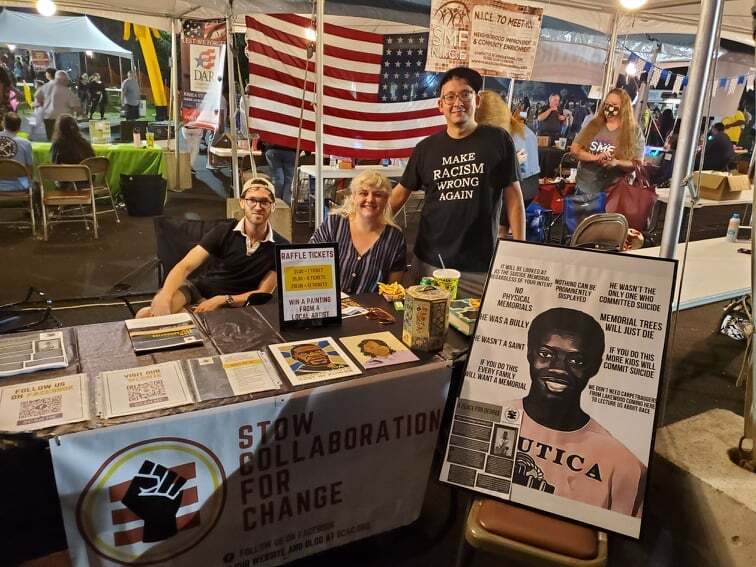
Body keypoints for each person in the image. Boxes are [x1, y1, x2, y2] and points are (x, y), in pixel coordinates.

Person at [389, 66, 524, 297]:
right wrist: (365, 224)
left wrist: (520, 248)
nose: (457, 102)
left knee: (471, 331)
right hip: (429, 264)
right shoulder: (425, 149)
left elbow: (514, 197)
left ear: (477, 100)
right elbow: (399, 195)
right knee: (421, 330)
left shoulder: (497, 140)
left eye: (465, 94)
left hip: (478, 268)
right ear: (440, 105)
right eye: (449, 96)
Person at [510, 307, 645, 516]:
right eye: (545, 354)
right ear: (529, 354)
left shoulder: (623, 465)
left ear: (594, 367)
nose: (558, 368)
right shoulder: (489, 416)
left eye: (576, 361)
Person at [136, 178, 287, 318]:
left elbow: (263, 293)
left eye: (264, 202)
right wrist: (165, 296)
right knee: (146, 316)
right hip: (198, 289)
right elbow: (185, 266)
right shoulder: (225, 230)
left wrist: (223, 300)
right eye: (252, 200)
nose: (258, 206)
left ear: (273, 206)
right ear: (242, 203)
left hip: (232, 305)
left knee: (183, 321)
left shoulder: (281, 247)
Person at [311, 169, 406, 294]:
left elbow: (393, 290)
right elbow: (310, 267)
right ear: (354, 197)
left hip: (372, 311)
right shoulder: (333, 224)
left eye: (378, 195)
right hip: (329, 306)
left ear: (386, 200)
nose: (370, 199)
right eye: (363, 193)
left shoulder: (395, 238)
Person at [570, 88, 644, 194]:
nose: (609, 107)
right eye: (607, 103)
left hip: (614, 192)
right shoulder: (593, 125)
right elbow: (575, 150)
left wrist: (617, 162)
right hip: (585, 189)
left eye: (614, 104)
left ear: (624, 108)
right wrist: (595, 158)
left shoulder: (634, 132)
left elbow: (637, 163)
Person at [475, 90, 540, 206]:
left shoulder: (501, 135)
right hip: (531, 186)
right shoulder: (524, 129)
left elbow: (493, 172)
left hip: (517, 187)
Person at [0, 112, 33, 192]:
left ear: (3, 124)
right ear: (19, 127)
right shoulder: (26, 143)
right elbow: (30, 169)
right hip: (20, 185)